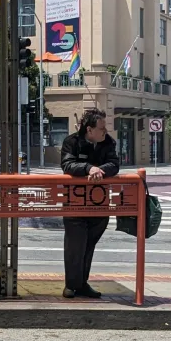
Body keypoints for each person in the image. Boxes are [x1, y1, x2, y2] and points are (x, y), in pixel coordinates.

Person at [60, 108, 120, 299]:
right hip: (75, 202)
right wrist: (88, 168)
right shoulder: (72, 142)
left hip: (100, 203)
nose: (105, 131)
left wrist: (99, 170)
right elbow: (67, 165)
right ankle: (71, 285)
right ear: (89, 129)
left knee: (88, 246)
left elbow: (114, 164)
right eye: (101, 128)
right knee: (74, 247)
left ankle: (82, 284)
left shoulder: (108, 142)